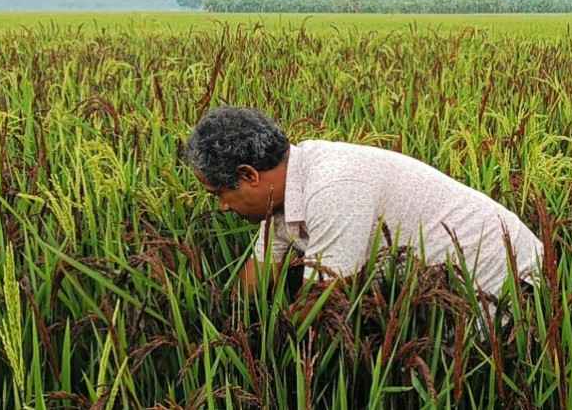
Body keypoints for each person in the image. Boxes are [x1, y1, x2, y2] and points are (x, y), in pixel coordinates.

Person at [185, 106, 543, 298]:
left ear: (249, 176)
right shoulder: (282, 195)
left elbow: (321, 307)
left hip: (505, 284)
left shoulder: (333, 189)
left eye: (220, 194)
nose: (223, 208)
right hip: (445, 289)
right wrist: (222, 333)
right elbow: (255, 280)